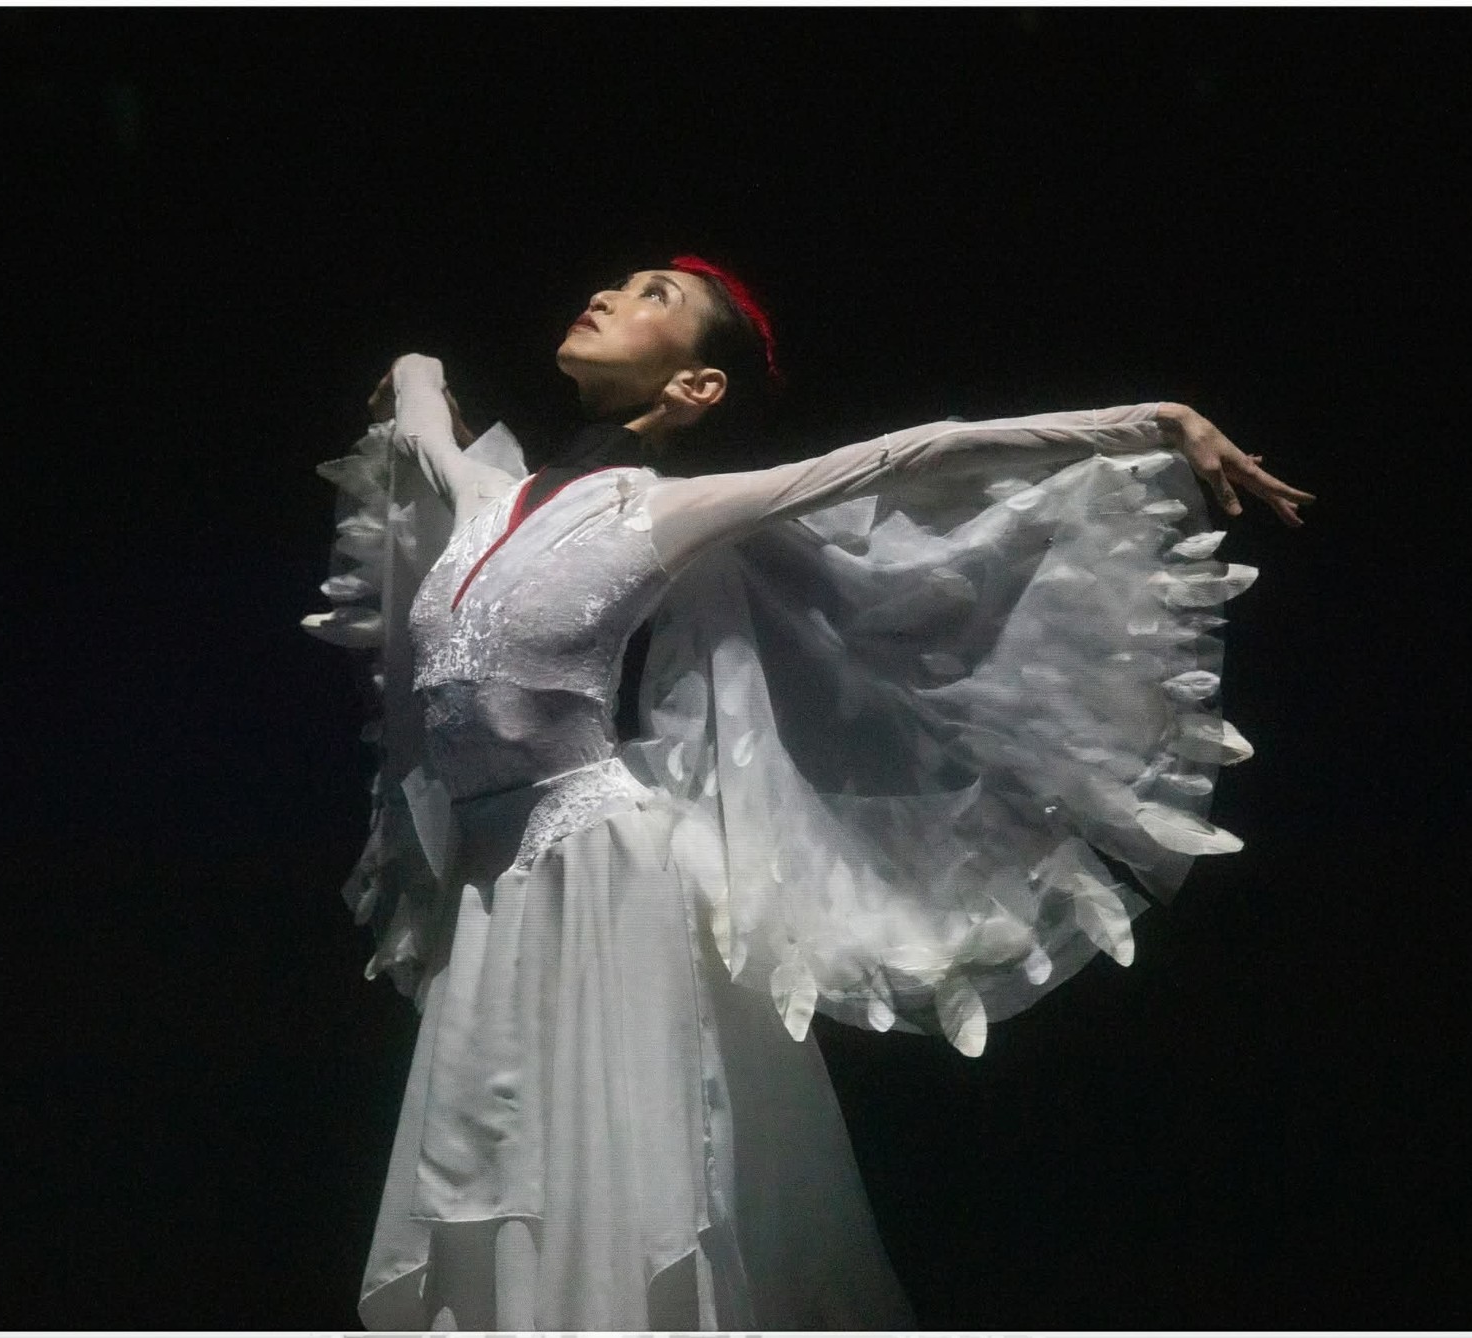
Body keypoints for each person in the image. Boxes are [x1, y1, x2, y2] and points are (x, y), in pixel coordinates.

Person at [304, 256, 1314, 1329]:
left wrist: (1148, 422)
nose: (607, 294)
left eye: (654, 297)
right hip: (489, 884)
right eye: (621, 281)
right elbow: (419, 401)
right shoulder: (481, 499)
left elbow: (902, 455)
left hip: (596, 870)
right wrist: (412, 368)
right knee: (490, 1157)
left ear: (695, 386)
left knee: (600, 1162)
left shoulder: (663, 511)